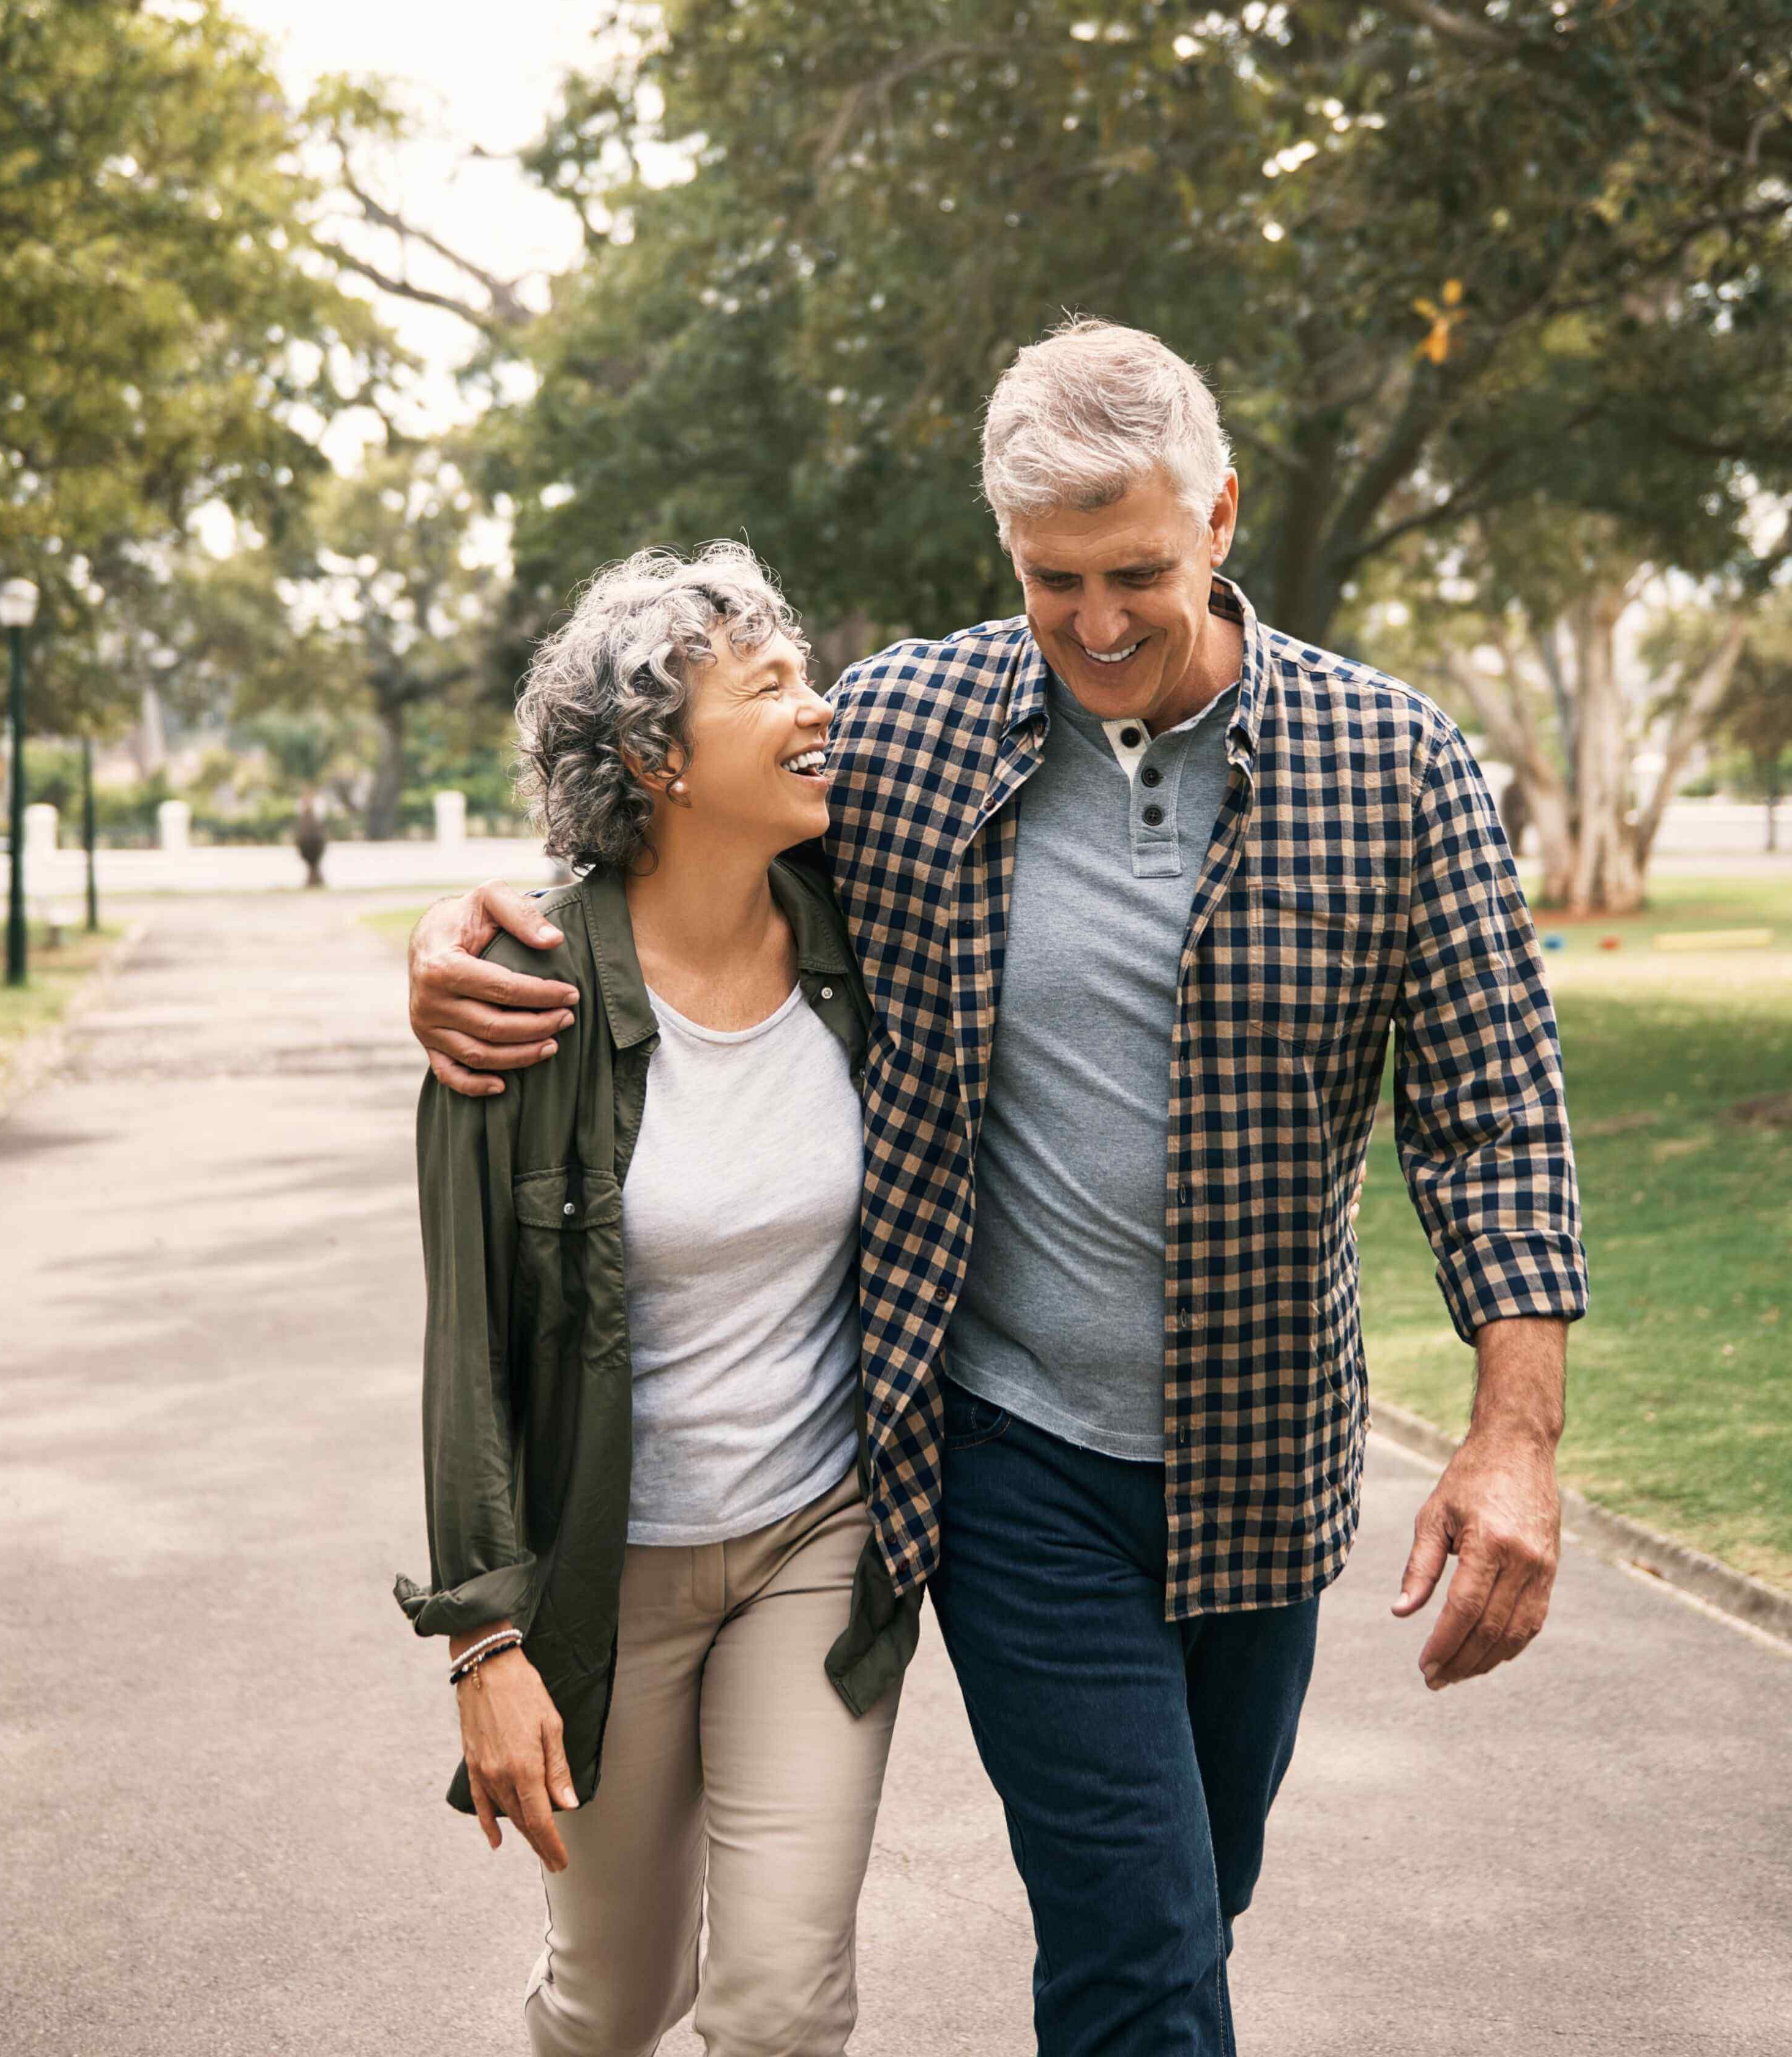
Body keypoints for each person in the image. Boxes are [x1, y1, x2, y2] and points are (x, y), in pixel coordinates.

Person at [409, 317, 1589, 2057]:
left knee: (1196, 1896)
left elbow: (1493, 1119)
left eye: (1136, 573)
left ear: (1222, 517)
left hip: (1265, 1461)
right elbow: (665, 828)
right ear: (1004, 557)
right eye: (1053, 581)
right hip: (1009, 1457)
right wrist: (460, 936)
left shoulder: (1394, 765)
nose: (1096, 624)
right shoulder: (903, 727)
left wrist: (1513, 1437)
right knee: (1133, 1940)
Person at [395, 545, 916, 2057]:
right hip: (600, 1572)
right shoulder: (520, 993)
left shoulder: (860, 936)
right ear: (654, 758)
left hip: (819, 1542)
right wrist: (483, 1647)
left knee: (778, 2007)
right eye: (772, 690)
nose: (822, 711)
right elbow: (466, 1350)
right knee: (612, 2003)